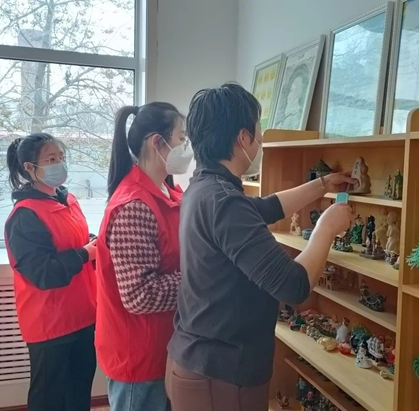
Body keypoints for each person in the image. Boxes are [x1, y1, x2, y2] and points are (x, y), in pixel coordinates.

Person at [166, 83, 355, 411]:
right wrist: (326, 228)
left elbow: (266, 207)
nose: (261, 139)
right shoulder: (224, 201)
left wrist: (322, 184)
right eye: (258, 131)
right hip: (220, 375)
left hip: (197, 362)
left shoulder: (205, 188)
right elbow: (295, 285)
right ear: (243, 138)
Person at [96, 103, 193, 411]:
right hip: (139, 355)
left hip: (164, 345)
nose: (186, 147)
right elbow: (139, 295)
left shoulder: (169, 193)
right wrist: (201, 279)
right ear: (156, 142)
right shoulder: (134, 207)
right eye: (182, 138)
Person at [4, 133, 97, 411]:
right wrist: (85, 253)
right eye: (51, 159)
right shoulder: (25, 215)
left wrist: (91, 242)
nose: (59, 164)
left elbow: (71, 241)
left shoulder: (68, 201)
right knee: (49, 398)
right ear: (30, 168)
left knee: (79, 393)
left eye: (62, 157)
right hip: (50, 325)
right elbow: (42, 273)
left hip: (83, 315)